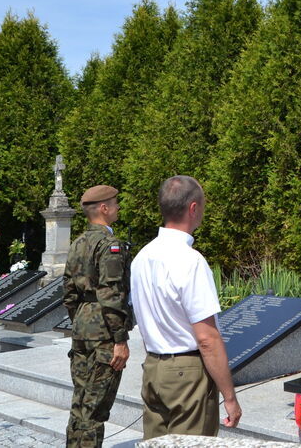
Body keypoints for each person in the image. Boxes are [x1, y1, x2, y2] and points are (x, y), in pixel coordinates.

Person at [130, 175, 242, 439]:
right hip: (186, 373)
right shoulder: (190, 261)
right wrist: (229, 396)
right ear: (193, 208)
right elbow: (206, 338)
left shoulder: (142, 257)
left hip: (153, 366)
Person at [62, 185, 133, 447]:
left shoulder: (79, 242)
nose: (117, 208)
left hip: (82, 326)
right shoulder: (110, 244)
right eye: (115, 203)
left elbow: (68, 292)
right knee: (95, 410)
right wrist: (120, 339)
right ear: (103, 208)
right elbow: (111, 293)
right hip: (103, 331)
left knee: (80, 403)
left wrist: (81, 320)